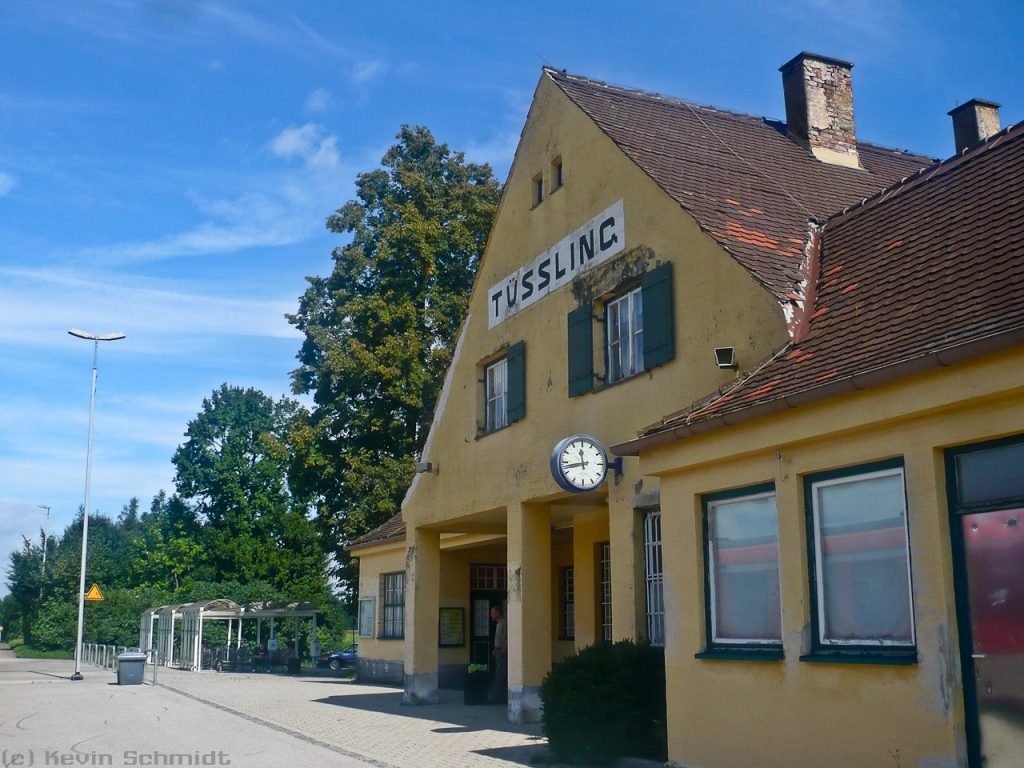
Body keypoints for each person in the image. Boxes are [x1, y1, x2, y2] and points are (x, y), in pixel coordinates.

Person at [488, 605, 508, 704]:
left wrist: (504, 649)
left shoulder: (504, 623)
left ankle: (494, 698)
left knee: (500, 674)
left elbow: (507, 637)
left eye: (492, 613)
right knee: (499, 673)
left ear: (497, 613)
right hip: (498, 650)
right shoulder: (498, 624)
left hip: (502, 651)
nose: (491, 615)